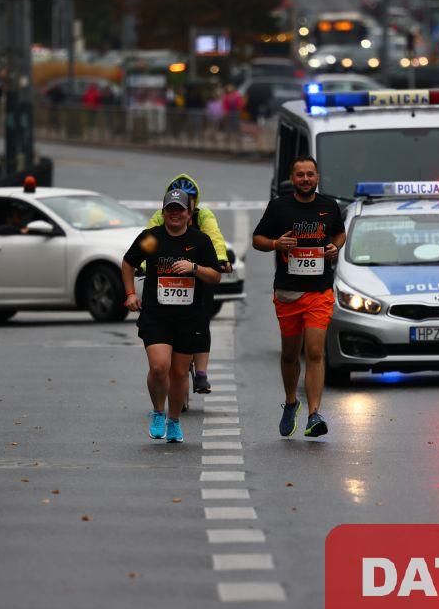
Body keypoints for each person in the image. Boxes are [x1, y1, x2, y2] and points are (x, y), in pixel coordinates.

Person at [252, 155, 346, 438]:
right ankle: (291, 402)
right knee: (290, 354)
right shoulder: (279, 207)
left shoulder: (329, 206)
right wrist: (276, 243)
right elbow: (257, 240)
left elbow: (339, 234)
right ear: (292, 179)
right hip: (288, 292)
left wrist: (334, 247)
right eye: (300, 175)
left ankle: (314, 414)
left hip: (319, 290)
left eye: (310, 174)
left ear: (317, 178)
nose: (305, 179)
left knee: (315, 352)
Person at [122, 187, 221, 443]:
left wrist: (194, 268)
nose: (175, 214)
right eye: (170, 209)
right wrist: (131, 294)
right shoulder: (152, 238)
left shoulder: (200, 241)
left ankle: (174, 420)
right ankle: (158, 412)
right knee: (159, 367)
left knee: (179, 372)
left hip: (189, 317)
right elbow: (129, 262)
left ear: (189, 213)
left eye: (180, 209)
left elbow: (215, 276)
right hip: (157, 315)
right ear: (164, 212)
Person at [146, 174, 231, 394]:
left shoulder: (205, 215)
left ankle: (201, 373)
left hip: (199, 275)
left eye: (189, 200)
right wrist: (143, 265)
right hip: (168, 278)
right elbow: (147, 241)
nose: (178, 210)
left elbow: (215, 238)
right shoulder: (160, 216)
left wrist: (221, 260)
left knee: (201, 320)